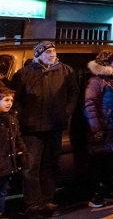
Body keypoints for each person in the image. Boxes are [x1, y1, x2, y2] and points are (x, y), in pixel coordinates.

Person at [11, 41, 79, 218]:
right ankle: (33, 204)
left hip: (55, 125)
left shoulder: (66, 71)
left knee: (50, 166)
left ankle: (48, 202)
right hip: (31, 128)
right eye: (48, 51)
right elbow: (15, 98)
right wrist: (21, 113)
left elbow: (74, 93)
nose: (52, 54)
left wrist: (66, 112)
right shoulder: (24, 74)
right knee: (31, 167)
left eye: (53, 51)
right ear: (38, 54)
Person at [84, 51, 113, 208]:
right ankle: (95, 194)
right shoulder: (96, 81)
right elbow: (90, 104)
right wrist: (96, 128)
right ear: (105, 63)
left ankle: (111, 190)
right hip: (105, 127)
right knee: (99, 162)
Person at [0, 86, 25, 217]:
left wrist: (22, 152)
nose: (9, 103)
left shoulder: (12, 119)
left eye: (11, 100)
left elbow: (17, 138)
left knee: (3, 191)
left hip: (5, 162)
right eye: (6, 100)